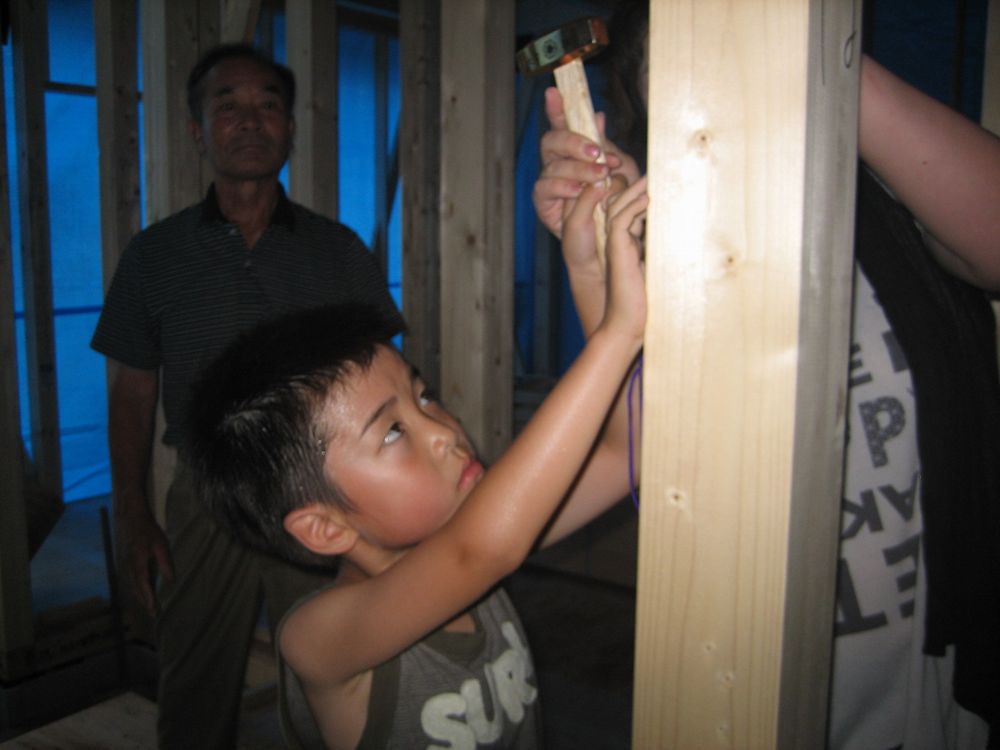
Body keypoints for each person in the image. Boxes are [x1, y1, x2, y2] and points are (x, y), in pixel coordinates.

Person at [532, 5, 1000, 748]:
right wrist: (608, 261)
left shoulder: (879, 206)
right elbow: (644, 444)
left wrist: (814, 56)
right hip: (747, 689)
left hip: (927, 684)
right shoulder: (680, 248)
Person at [183, 176, 647, 749]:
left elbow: (625, 452)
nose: (445, 432)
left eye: (423, 396)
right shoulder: (317, 637)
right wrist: (618, 334)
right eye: (393, 431)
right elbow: (480, 552)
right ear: (325, 526)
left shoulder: (478, 538)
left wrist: (588, 269)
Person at [90, 43, 403, 749]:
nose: (250, 120)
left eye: (268, 104)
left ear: (289, 128)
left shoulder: (337, 251)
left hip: (319, 486)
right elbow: (133, 392)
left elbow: (385, 380)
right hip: (208, 492)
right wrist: (135, 516)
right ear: (198, 130)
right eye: (226, 105)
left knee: (334, 673)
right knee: (194, 680)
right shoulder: (154, 256)